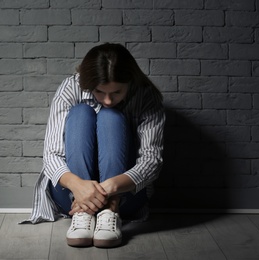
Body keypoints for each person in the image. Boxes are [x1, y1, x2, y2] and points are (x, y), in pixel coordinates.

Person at [22, 43, 165, 248]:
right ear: (88, 84)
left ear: (130, 82)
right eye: (99, 91)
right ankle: (82, 213)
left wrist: (108, 190)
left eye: (116, 92)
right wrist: (79, 187)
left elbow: (152, 161)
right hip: (71, 196)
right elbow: (52, 155)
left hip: (125, 197)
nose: (107, 99)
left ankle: (109, 211)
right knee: (81, 112)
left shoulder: (146, 96)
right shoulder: (71, 87)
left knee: (111, 116)